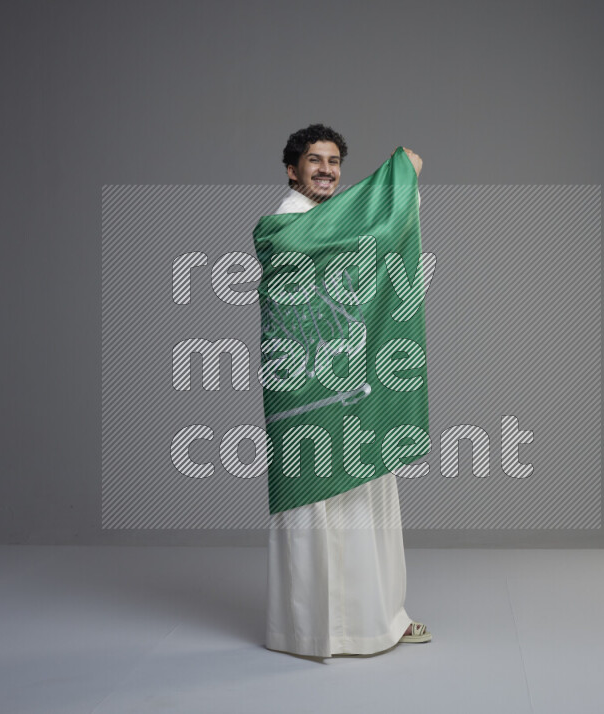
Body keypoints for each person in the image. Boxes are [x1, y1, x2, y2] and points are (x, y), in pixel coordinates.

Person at [264, 124, 432, 658]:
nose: (327, 170)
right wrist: (398, 172)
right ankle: (316, 630)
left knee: (368, 503)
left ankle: (380, 618)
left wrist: (400, 174)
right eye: (314, 161)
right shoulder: (283, 227)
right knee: (315, 512)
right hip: (305, 391)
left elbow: (398, 194)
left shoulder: (335, 223)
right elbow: (399, 178)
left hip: (355, 386)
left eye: (334, 161)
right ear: (292, 170)